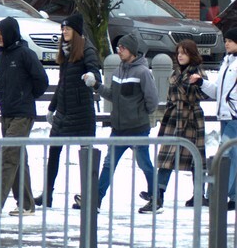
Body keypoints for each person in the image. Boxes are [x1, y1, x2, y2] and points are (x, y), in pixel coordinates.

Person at [75, 32, 158, 211]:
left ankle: (156, 198)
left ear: (132, 51)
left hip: (138, 129)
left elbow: (152, 101)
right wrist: (96, 85)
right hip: (119, 129)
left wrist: (139, 114)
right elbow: (112, 95)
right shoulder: (117, 70)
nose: (119, 50)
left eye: (123, 48)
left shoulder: (143, 72)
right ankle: (96, 199)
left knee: (144, 164)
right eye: (119, 47)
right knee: (108, 164)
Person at [0, 17, 48, 218]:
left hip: (22, 114)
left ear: (10, 33)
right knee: (18, 158)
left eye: (1, 33)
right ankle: (26, 204)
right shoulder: (0, 58)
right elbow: (0, 83)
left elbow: (41, 80)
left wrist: (26, 96)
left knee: (9, 155)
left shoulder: (25, 54)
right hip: (7, 113)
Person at [38, 13, 101, 208]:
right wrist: (52, 108)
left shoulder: (87, 49)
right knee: (54, 152)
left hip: (82, 112)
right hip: (64, 112)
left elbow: (95, 71)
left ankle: (87, 196)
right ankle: (47, 194)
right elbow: (62, 84)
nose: (64, 32)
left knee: (86, 154)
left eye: (67, 29)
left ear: (76, 31)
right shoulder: (65, 52)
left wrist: (92, 77)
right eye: (63, 29)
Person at [146, 40, 209, 213]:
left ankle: (199, 194)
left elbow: (205, 94)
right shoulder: (176, 72)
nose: (180, 56)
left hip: (191, 118)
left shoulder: (198, 72)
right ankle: (158, 194)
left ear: (192, 54)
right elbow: (170, 96)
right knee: (167, 157)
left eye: (184, 53)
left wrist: (197, 83)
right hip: (175, 118)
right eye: (178, 52)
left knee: (196, 158)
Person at [200, 27, 237, 210]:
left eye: (230, 41)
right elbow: (217, 91)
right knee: (232, 156)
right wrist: (201, 83)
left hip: (234, 116)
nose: (226, 44)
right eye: (226, 41)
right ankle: (233, 197)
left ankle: (217, 194)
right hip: (224, 115)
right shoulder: (226, 62)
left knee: (226, 154)